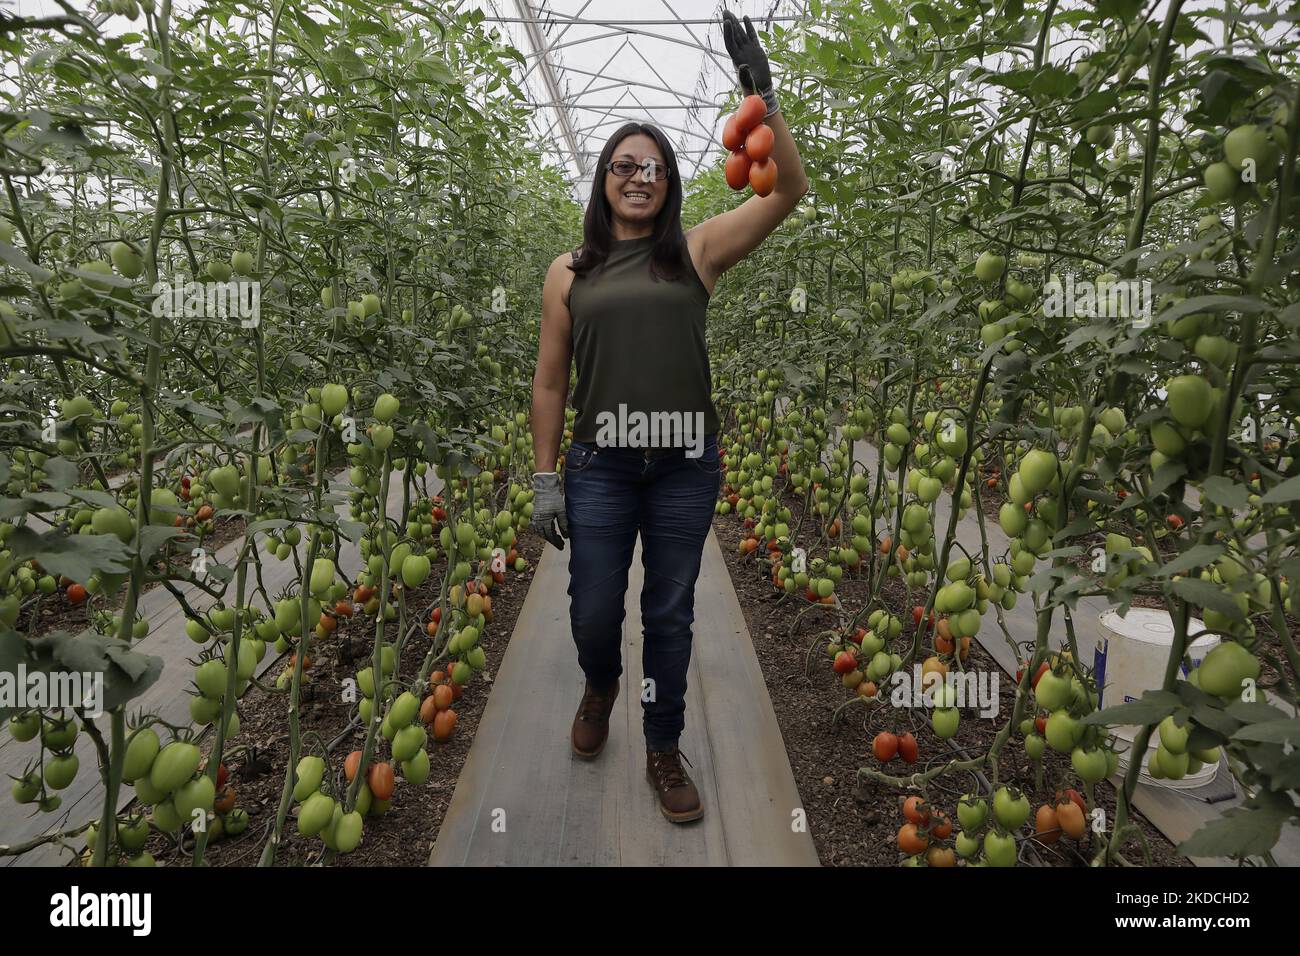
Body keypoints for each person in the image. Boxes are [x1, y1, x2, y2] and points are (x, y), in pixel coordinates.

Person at [529, 10, 809, 823]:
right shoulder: (569, 271)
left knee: (670, 613)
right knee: (592, 608)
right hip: (600, 466)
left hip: (684, 464)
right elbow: (551, 383)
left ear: (670, 181)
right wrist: (545, 477)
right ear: (603, 178)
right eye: (624, 165)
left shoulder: (697, 252)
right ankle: (598, 683)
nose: (639, 176)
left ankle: (661, 743)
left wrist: (762, 95)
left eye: (653, 167)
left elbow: (789, 189)